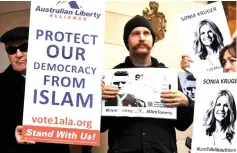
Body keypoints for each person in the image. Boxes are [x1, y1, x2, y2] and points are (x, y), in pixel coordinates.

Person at [100, 15, 194, 153]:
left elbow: (182, 124)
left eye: (146, 33)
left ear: (152, 40)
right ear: (127, 40)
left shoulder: (168, 76)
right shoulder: (112, 76)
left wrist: (187, 103)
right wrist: (98, 100)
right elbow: (101, 126)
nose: (142, 38)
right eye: (135, 34)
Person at [0, 27, 70, 153]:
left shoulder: (65, 81)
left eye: (25, 47)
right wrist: (11, 137)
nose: (18, 54)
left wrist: (94, 95)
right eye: (11, 49)